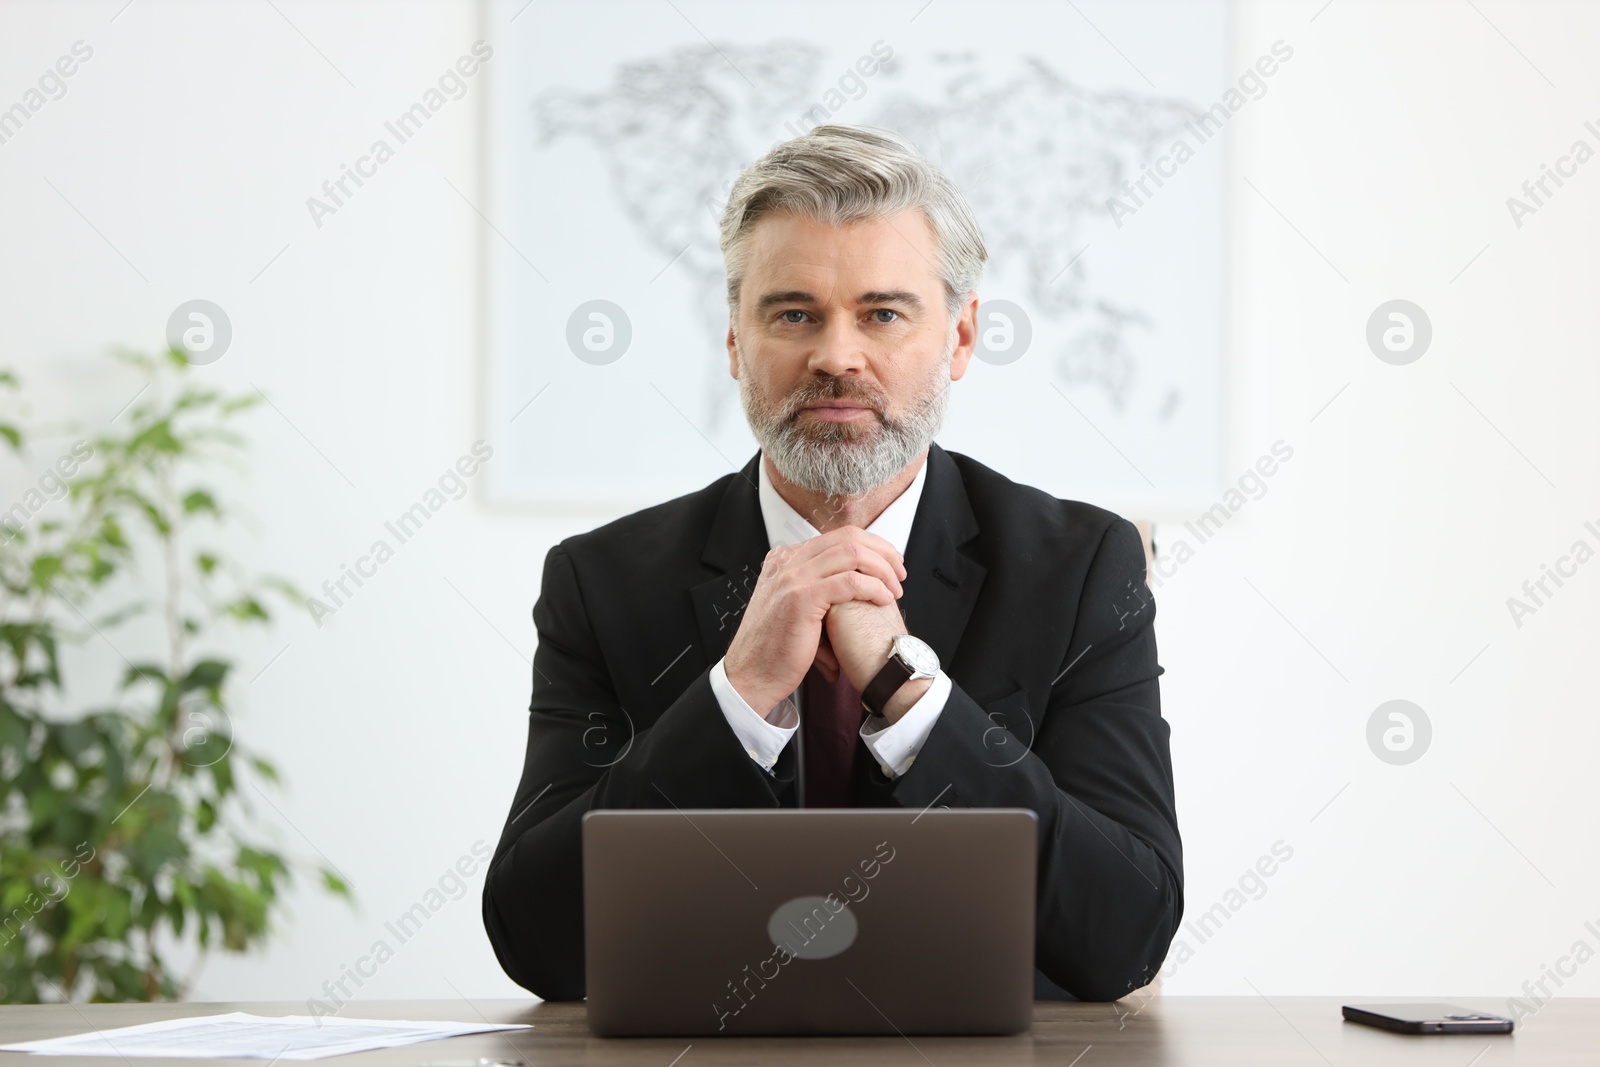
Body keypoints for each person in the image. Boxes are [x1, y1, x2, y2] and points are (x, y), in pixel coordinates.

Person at [483, 124, 1181, 1002]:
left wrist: (909, 695)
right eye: (793, 314)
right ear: (735, 340)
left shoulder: (1082, 569)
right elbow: (536, 940)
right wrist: (732, 700)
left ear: (961, 338)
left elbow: (1126, 934)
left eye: (883, 313)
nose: (836, 356)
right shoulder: (602, 580)